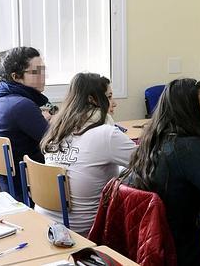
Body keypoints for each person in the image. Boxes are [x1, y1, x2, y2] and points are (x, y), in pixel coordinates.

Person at [120, 78, 200, 266]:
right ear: (190, 111)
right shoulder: (188, 148)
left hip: (153, 244)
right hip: (181, 251)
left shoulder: (153, 140)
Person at [38, 73, 136, 236]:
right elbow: (149, 163)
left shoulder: (57, 130)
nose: (115, 103)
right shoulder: (106, 134)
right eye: (109, 97)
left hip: (47, 225)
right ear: (93, 100)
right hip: (85, 231)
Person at [0, 47, 51, 201]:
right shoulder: (21, 105)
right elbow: (54, 141)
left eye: (43, 70)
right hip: (26, 186)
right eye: (36, 72)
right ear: (16, 77)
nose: (43, 77)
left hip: (7, 182)